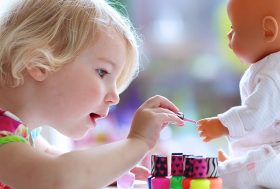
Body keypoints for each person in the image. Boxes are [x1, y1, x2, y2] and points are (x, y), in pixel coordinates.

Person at [0, 0, 185, 188]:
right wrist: (138, 142)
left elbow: (52, 158)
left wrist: (110, 172)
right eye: (102, 72)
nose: (115, 97)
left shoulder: (22, 131)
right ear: (39, 63)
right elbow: (55, 179)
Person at [197, 0, 280, 188]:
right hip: (268, 151)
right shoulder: (267, 65)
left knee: (258, 164)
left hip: (275, 157)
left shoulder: (274, 72)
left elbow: (256, 114)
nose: (229, 34)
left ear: (267, 30)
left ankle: (228, 172)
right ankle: (237, 164)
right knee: (254, 160)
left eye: (235, 28)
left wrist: (222, 124)